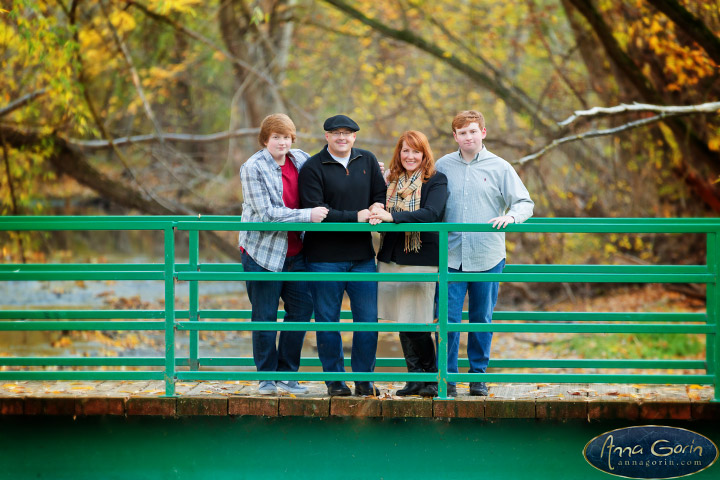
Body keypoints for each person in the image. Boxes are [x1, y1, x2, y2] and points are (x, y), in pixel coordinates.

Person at [435, 110, 533, 397]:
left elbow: (524, 203)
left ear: (483, 133)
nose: (468, 137)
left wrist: (512, 217)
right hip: (450, 256)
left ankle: (478, 376)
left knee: (481, 319)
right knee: (448, 321)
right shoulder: (442, 166)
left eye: (473, 131)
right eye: (462, 133)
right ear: (455, 136)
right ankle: (448, 379)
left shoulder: (500, 167)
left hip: (487, 255)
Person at [238, 113, 329, 396]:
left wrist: (368, 169)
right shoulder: (252, 167)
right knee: (264, 316)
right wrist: (307, 215)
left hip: (297, 252)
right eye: (276, 137)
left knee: (302, 312)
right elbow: (266, 214)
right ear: (265, 139)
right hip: (262, 253)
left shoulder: (300, 159)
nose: (282, 142)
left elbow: (329, 175)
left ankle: (287, 375)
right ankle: (266, 378)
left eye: (286, 137)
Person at [298, 114, 387, 397]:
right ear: (326, 137)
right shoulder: (313, 167)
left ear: (354, 137)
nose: (342, 138)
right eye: (336, 133)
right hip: (323, 257)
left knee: (368, 321)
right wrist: (356, 217)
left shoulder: (367, 160)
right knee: (327, 321)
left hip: (362, 256)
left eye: (347, 133)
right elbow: (316, 210)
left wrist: (376, 205)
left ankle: (364, 380)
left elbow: (380, 192)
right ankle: (335, 381)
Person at [369, 130, 448, 397]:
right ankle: (415, 380)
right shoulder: (391, 180)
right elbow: (374, 205)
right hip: (391, 256)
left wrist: (392, 217)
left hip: (421, 257)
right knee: (403, 319)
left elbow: (431, 213)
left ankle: (432, 378)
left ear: (425, 154)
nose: (410, 156)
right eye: (405, 150)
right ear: (398, 153)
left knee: (418, 322)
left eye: (416, 151)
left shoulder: (436, 180)